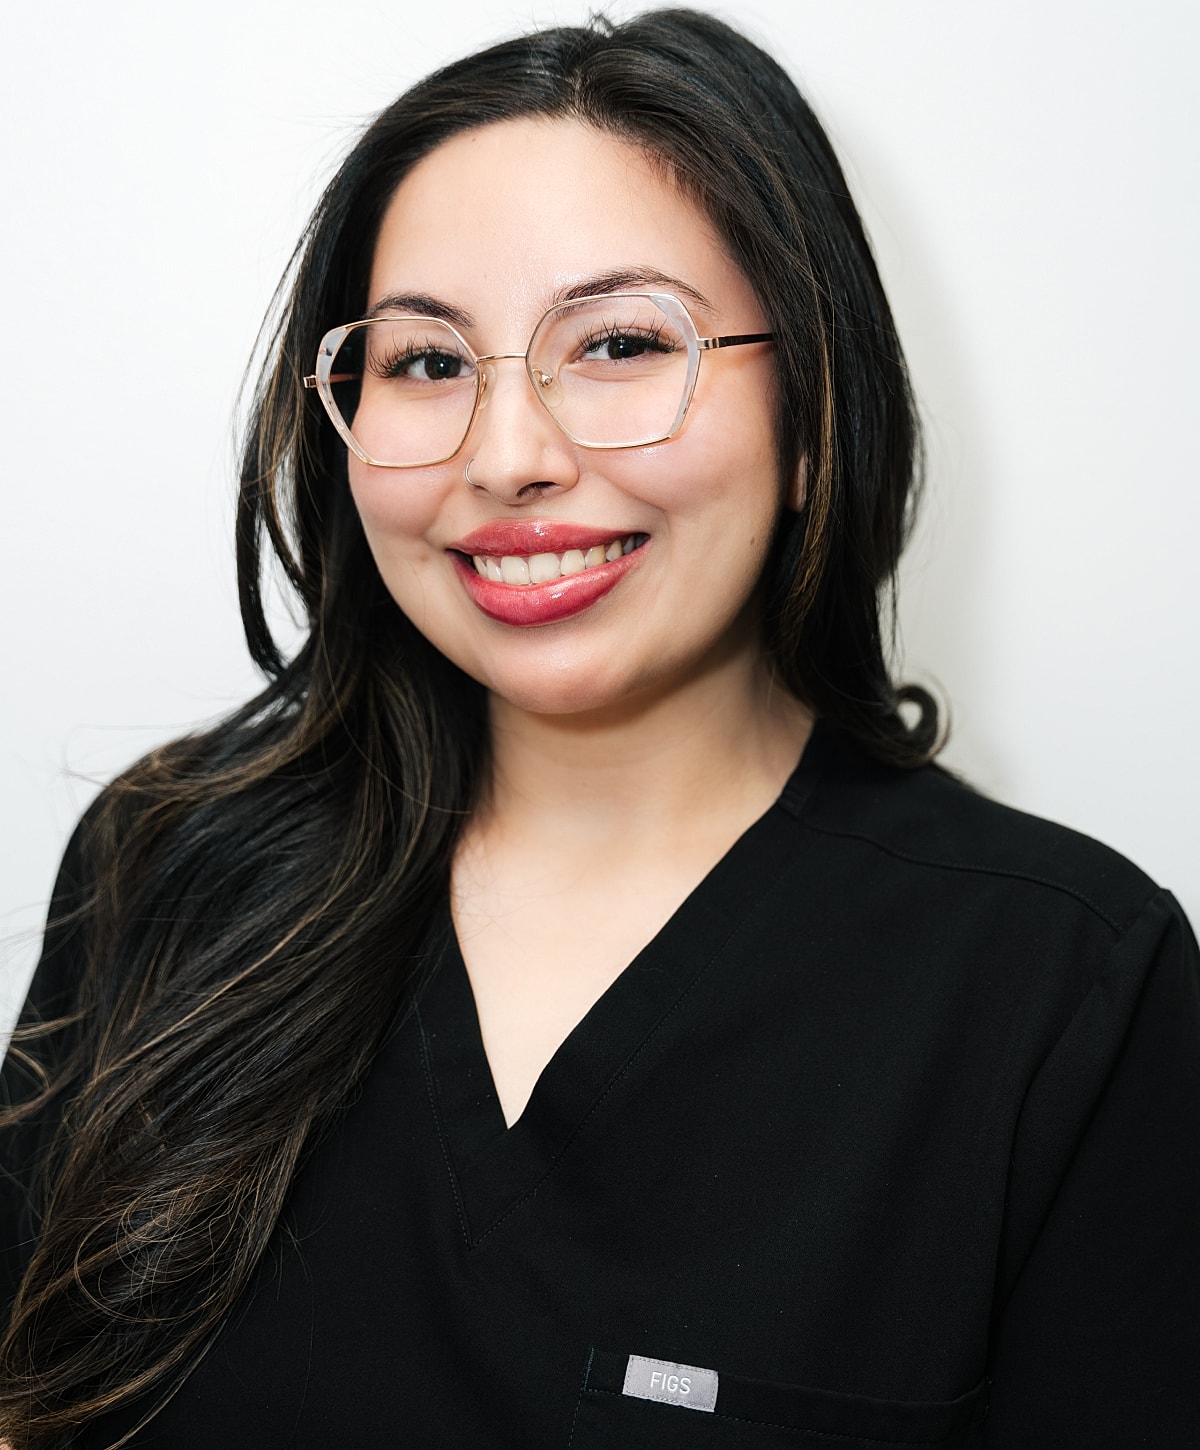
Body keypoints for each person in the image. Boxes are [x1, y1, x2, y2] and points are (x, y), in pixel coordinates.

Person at [1, 9, 1197, 1447]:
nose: (510, 457)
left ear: (815, 411)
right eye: (428, 363)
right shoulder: (171, 865)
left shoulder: (1064, 985)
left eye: (622, 342)